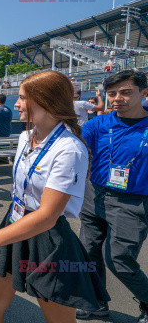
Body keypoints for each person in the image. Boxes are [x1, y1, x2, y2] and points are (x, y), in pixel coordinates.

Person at [0, 70, 109, 323]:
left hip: (47, 238)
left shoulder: (69, 149)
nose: (16, 104)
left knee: (59, 320)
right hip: (14, 222)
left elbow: (47, 216)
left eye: (24, 98)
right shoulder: (26, 136)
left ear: (47, 101)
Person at [77, 69, 148, 322]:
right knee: (88, 253)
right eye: (112, 93)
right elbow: (73, 147)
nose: (117, 98)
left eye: (126, 92)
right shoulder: (98, 124)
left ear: (144, 92)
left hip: (133, 202)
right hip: (93, 194)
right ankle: (96, 303)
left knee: (119, 260)